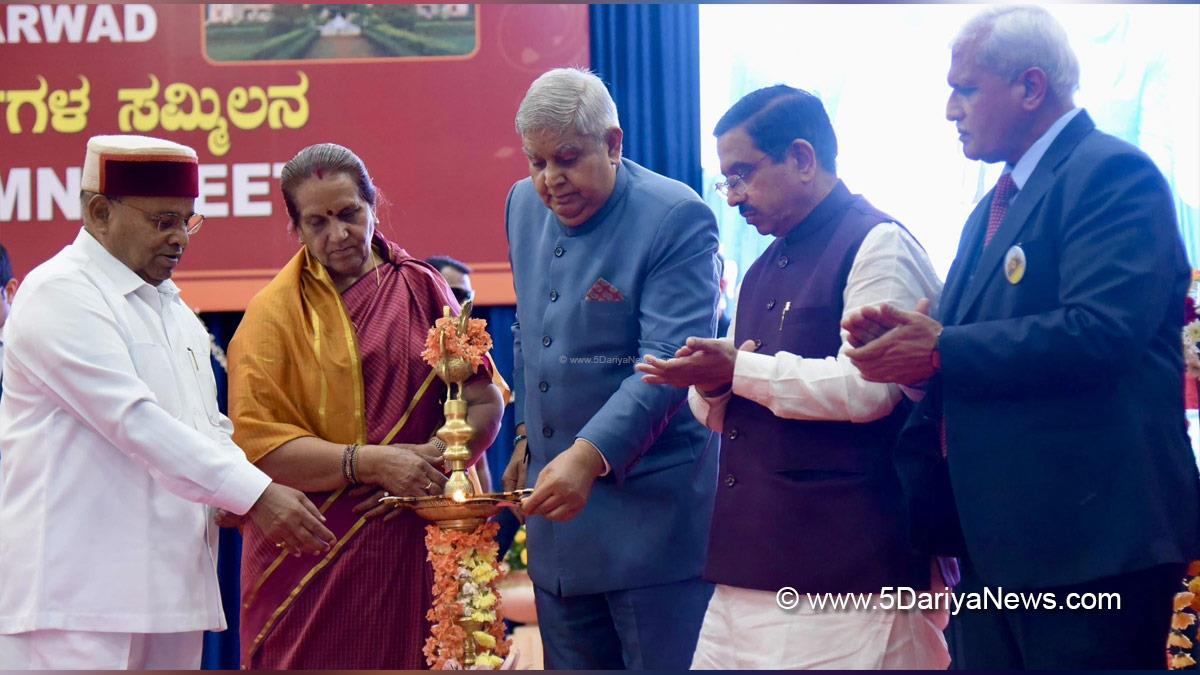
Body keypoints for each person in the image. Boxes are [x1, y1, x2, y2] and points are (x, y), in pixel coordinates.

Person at [844, 6, 1200, 668]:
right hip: (998, 539)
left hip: (1091, 541)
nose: (951, 109)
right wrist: (912, 359)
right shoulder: (991, 204)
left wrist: (941, 347)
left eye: (966, 88)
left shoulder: (1113, 175)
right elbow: (969, 346)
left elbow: (1101, 333)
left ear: (1031, 87)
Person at [636, 85, 950, 669]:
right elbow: (728, 409)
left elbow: (872, 388)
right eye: (725, 180)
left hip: (850, 567)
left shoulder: (876, 243)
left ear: (803, 159)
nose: (733, 198)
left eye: (743, 175)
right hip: (750, 563)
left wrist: (739, 368)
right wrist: (710, 383)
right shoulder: (760, 268)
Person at [0, 134, 334, 669]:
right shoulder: (59, 294)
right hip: (73, 602)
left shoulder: (173, 309)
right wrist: (256, 494)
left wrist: (233, 489)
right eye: (163, 221)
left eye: (188, 220)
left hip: (168, 593)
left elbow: (206, 427)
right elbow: (134, 422)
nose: (180, 237)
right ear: (99, 211)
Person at [227, 143, 503, 669]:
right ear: (296, 229)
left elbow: (483, 399)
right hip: (310, 549)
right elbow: (257, 448)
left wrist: (432, 457)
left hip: (406, 541)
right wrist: (373, 462)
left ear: (373, 203)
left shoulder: (424, 288)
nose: (338, 235)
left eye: (350, 213)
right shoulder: (272, 316)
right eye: (317, 222)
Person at [501, 67, 721, 669]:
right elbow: (529, 328)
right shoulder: (522, 205)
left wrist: (586, 454)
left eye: (567, 158)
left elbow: (668, 365)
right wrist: (525, 431)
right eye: (535, 161)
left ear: (615, 144)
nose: (550, 181)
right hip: (558, 535)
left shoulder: (676, 217)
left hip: (654, 529)